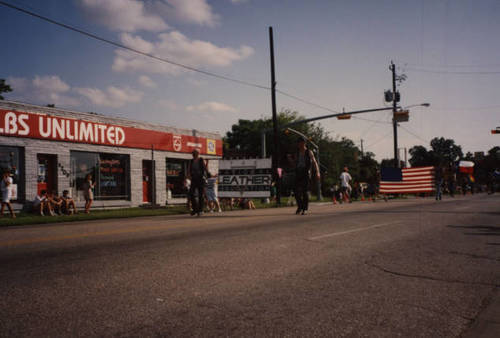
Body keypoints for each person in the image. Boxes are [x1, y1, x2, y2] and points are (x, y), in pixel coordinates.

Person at [294, 137, 320, 215]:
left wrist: (317, 172)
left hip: (306, 172)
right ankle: (300, 206)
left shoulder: (309, 152)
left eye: (301, 142)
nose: (299, 144)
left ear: (304, 143)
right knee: (296, 191)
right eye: (298, 143)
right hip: (298, 172)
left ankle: (304, 208)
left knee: (305, 191)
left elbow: (314, 162)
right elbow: (296, 163)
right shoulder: (297, 152)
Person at [187, 148, 207, 216]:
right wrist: (188, 175)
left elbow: (205, 169)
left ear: (198, 153)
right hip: (194, 179)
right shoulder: (191, 161)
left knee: (201, 195)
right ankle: (195, 209)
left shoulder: (201, 160)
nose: (193, 154)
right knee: (191, 193)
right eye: (192, 153)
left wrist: (206, 176)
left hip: (201, 179)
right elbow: (189, 170)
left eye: (194, 153)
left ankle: (200, 210)